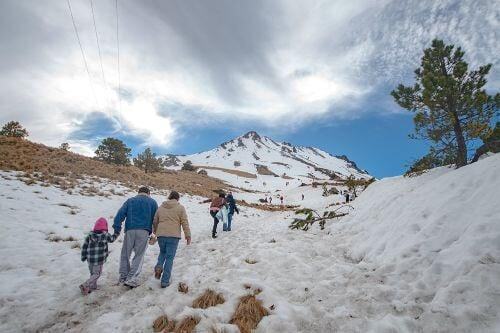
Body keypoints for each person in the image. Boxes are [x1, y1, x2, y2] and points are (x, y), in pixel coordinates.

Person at [113, 186, 158, 288]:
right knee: (139, 255)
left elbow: (120, 215)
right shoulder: (152, 203)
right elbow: (156, 219)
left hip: (130, 230)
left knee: (125, 253)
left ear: (138, 192)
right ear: (148, 193)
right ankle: (131, 278)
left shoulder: (130, 201)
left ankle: (123, 276)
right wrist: (155, 233)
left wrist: (117, 228)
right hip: (144, 231)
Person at [152, 191, 191, 288]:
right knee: (169, 258)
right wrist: (188, 235)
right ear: (177, 198)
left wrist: (156, 231)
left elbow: (155, 221)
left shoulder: (161, 208)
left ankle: (159, 267)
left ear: (169, 197)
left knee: (162, 252)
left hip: (161, 235)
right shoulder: (180, 208)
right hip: (173, 236)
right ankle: (165, 281)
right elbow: (184, 222)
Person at [80, 218, 119, 295]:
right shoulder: (105, 235)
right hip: (99, 260)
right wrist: (116, 233)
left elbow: (84, 246)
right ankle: (85, 285)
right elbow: (112, 239)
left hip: (90, 259)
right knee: (97, 274)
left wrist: (83, 256)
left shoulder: (90, 235)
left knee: (92, 273)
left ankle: (92, 286)